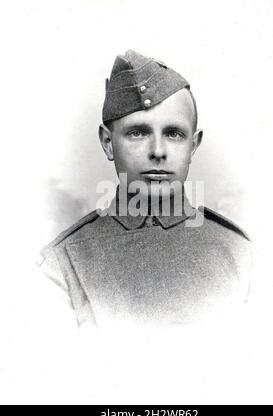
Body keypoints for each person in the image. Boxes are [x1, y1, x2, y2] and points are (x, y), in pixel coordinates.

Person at [38, 49, 251, 328]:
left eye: (174, 134)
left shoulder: (242, 256)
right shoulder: (61, 264)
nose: (158, 152)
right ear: (107, 142)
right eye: (137, 132)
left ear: (193, 146)